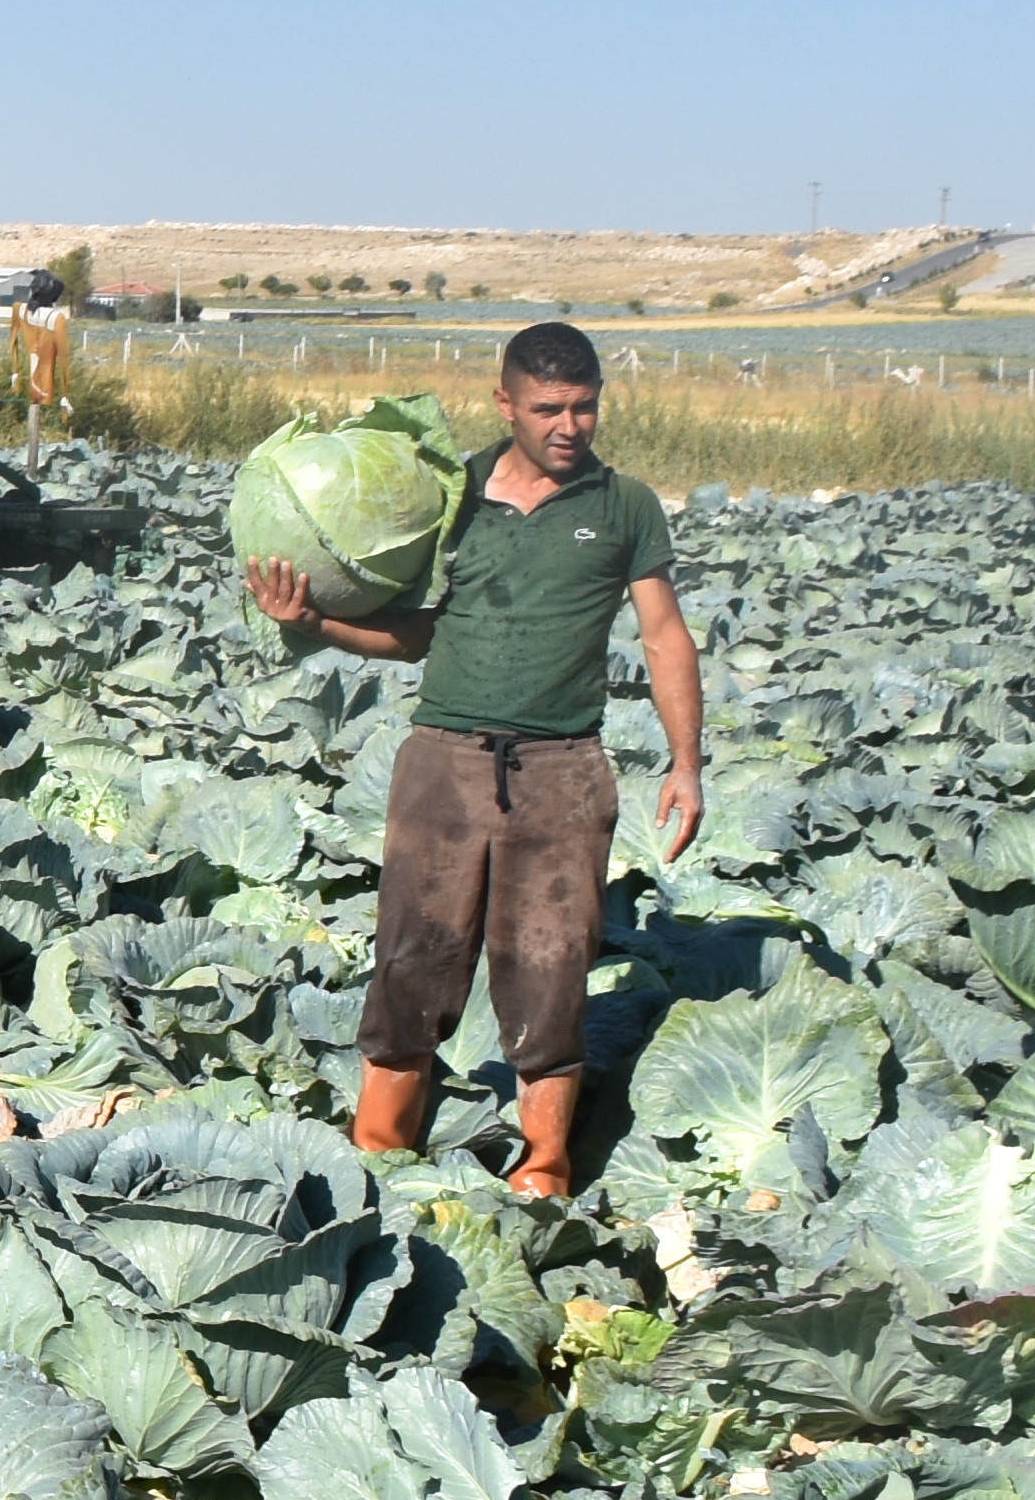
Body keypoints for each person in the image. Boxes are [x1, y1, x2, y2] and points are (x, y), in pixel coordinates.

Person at [248, 320, 705, 1197]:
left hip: (564, 773)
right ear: (505, 404)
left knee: (551, 972)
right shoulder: (450, 499)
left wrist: (686, 764)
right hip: (446, 764)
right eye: (548, 409)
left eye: (584, 407)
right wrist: (312, 626)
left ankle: (545, 1177)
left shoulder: (624, 508)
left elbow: (664, 636)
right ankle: (379, 1158)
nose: (569, 426)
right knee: (414, 961)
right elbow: (415, 634)